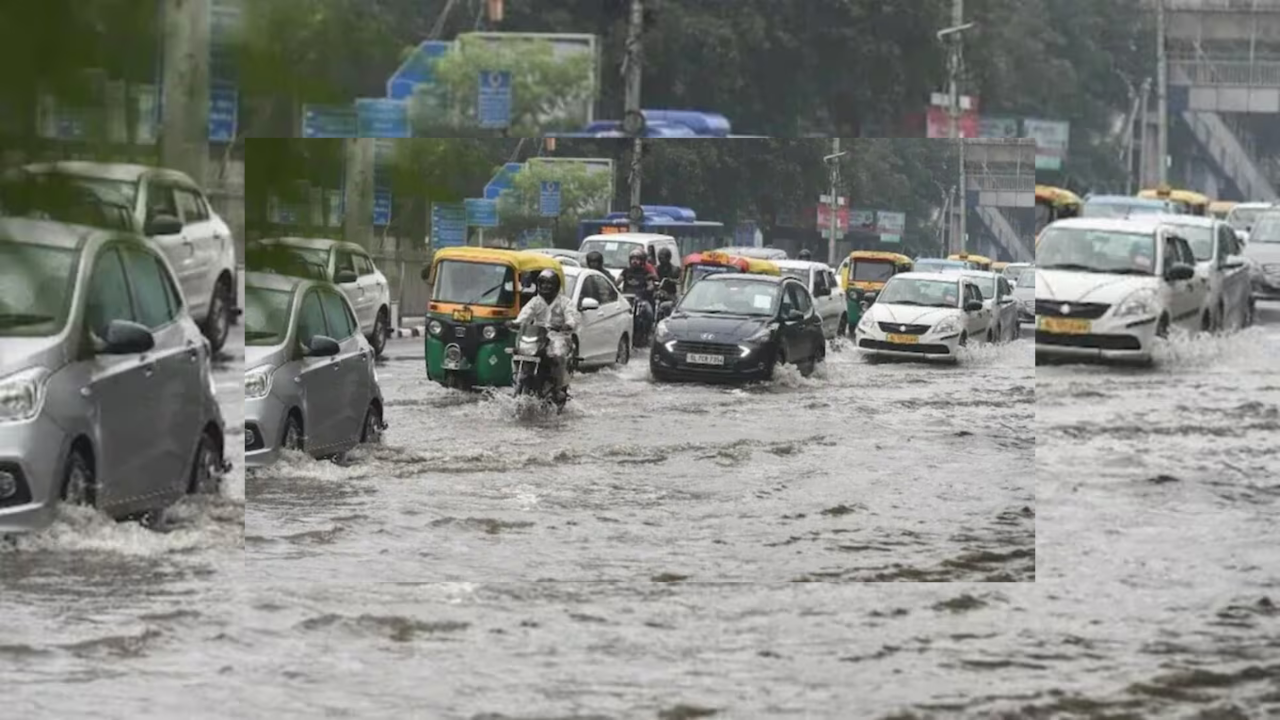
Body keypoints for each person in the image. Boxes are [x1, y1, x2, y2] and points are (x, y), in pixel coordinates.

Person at [511, 269, 579, 400]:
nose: (545, 286)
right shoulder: (535, 301)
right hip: (537, 338)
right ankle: (518, 380)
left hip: (558, 337)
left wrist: (566, 325)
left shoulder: (565, 302)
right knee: (517, 352)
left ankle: (559, 387)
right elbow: (524, 316)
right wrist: (514, 323)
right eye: (542, 283)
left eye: (549, 284)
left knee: (559, 354)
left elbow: (572, 318)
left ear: (556, 286)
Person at [617, 247, 659, 341]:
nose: (634, 261)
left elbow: (650, 285)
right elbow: (618, 281)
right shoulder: (626, 271)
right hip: (627, 300)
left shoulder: (646, 272)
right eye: (633, 259)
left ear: (642, 261)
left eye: (637, 259)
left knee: (649, 312)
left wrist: (648, 289)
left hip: (641, 299)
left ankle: (647, 334)